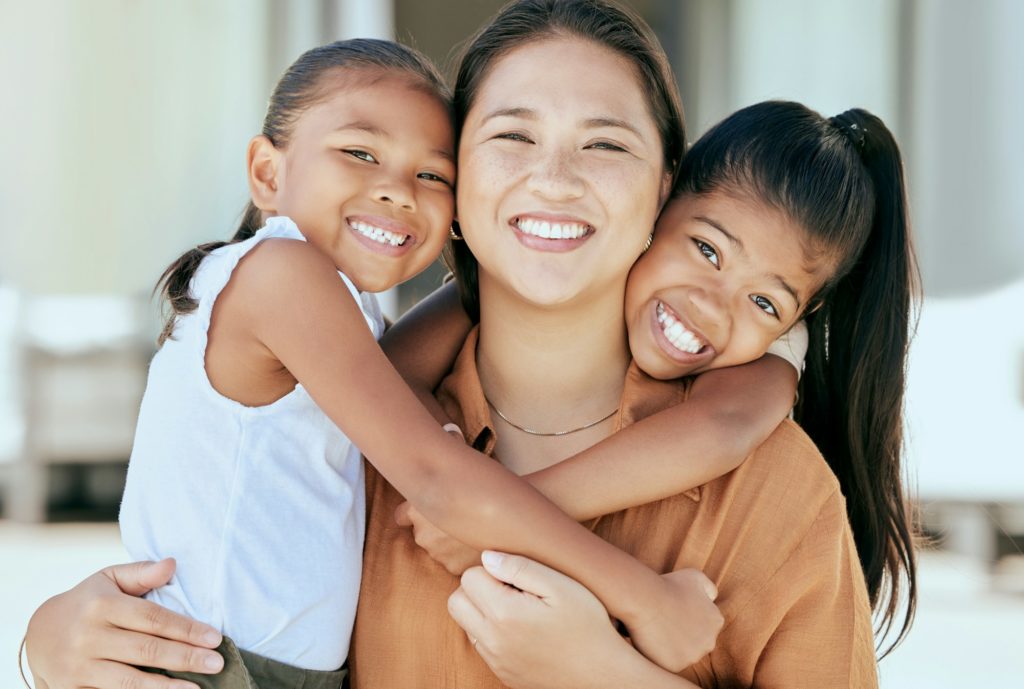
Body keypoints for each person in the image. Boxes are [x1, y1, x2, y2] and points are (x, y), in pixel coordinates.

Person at [24, 1, 917, 688]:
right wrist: (50, 643)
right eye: (511, 136)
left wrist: (607, 675)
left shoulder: (770, 489)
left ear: (666, 193)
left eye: (604, 144)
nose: (554, 179)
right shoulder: (348, 438)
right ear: (460, 184)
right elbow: (188, 579)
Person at [92, 34, 723, 689]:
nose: (397, 191)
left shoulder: (343, 315)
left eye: (433, 176)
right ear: (268, 174)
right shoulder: (280, 274)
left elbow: (474, 302)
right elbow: (435, 475)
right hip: (210, 665)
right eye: (360, 153)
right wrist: (641, 595)